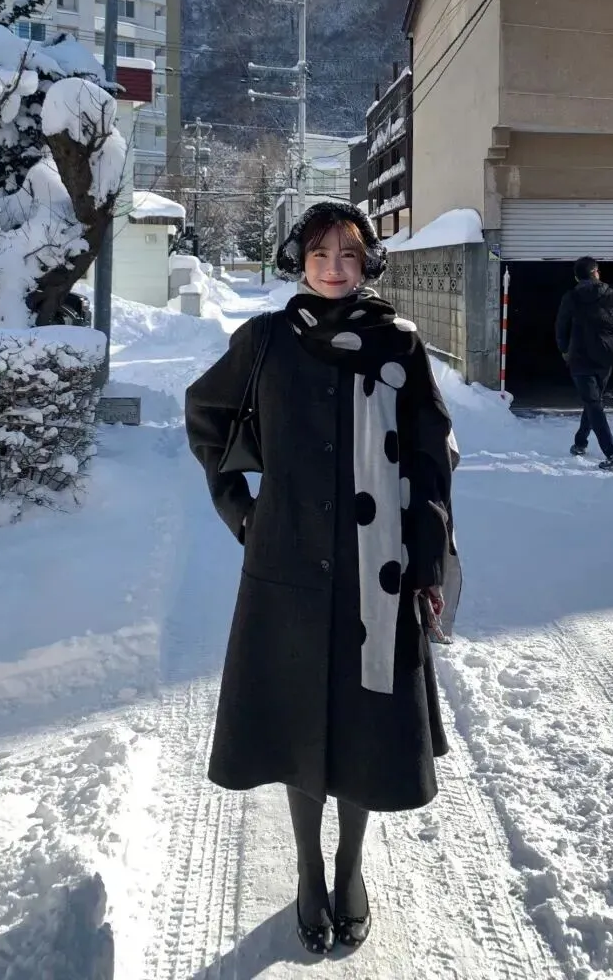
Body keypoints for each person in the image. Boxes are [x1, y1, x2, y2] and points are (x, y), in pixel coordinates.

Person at [184, 200, 461, 957]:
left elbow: (433, 456)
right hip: (288, 565)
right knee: (298, 722)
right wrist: (242, 512)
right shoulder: (267, 341)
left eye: (348, 253)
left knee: (364, 723)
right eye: (319, 253)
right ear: (299, 262)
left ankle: (350, 867)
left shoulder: (398, 344)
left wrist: (427, 558)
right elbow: (205, 416)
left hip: (380, 569)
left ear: (367, 261)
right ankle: (309, 871)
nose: (334, 267)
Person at [555, 256, 613, 471]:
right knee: (593, 401)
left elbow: (561, 327)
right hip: (606, 357)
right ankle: (580, 441)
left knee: (593, 403)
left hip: (580, 357)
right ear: (596, 272)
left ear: (576, 277)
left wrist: (564, 349)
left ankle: (612, 454)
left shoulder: (571, 297)